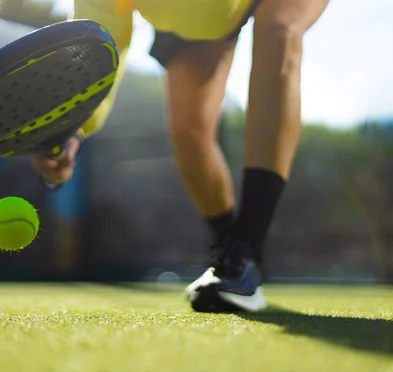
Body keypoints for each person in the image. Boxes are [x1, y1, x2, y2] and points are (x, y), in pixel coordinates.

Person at [31, 0, 330, 312]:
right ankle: (235, 260)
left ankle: (246, 248)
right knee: (189, 131)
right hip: (195, 14)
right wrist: (71, 127)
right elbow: (98, 43)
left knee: (278, 29)